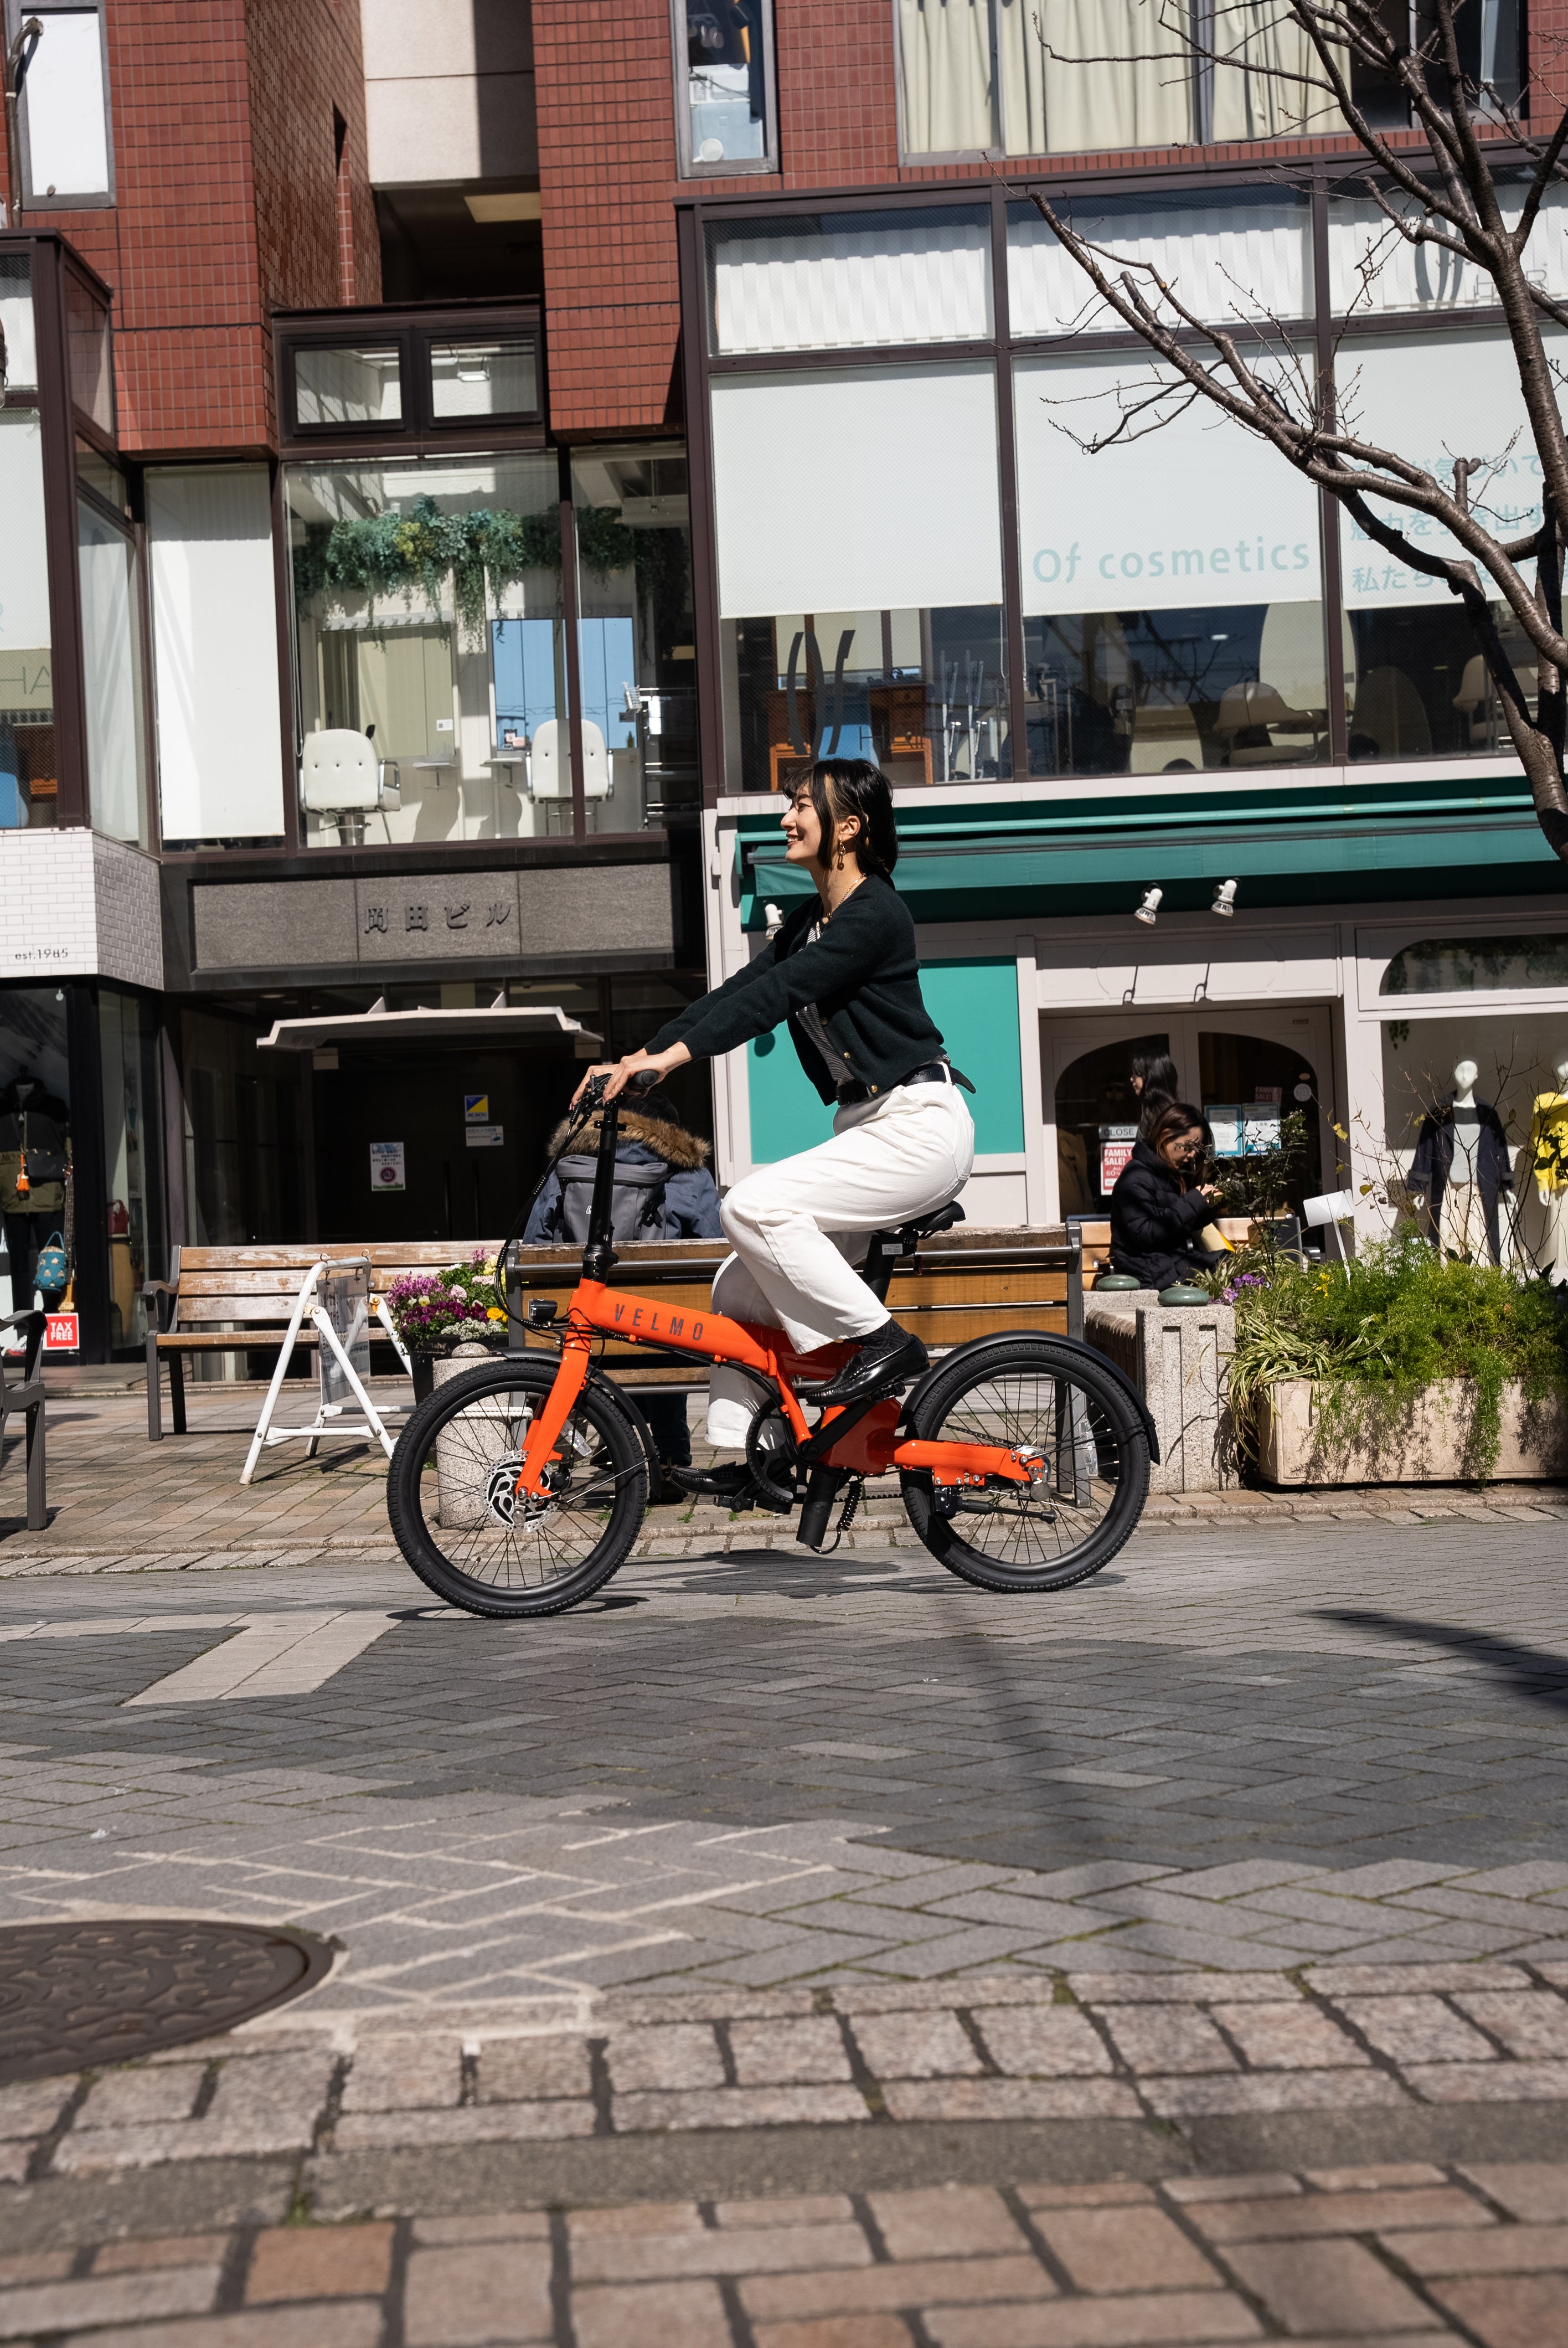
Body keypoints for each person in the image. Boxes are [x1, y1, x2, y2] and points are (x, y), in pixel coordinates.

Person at [574, 757, 975, 1504]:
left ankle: (884, 1344)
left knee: (752, 1205)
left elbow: (783, 994)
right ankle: (753, 1455)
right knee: (739, 1290)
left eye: (800, 807)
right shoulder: (810, 922)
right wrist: (640, 1058)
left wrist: (675, 1060)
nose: (786, 819)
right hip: (870, 1124)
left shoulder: (874, 914)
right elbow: (740, 992)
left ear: (847, 827)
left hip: (920, 1127)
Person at [524, 1085, 721, 1499]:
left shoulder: (567, 1168)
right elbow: (715, 1248)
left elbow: (534, 1247)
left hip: (582, 1332)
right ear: (668, 1127)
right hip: (663, 1336)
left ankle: (592, 1450)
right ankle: (667, 1462)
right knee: (666, 1315)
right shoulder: (689, 1174)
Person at [1109, 1100, 1225, 1291]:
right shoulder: (1134, 1179)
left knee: (1238, 1264)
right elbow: (1146, 1233)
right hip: (1149, 1274)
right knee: (1229, 1267)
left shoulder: (1169, 1174)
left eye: (1197, 1149)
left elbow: (1178, 1225)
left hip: (1169, 1267)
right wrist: (1195, 1199)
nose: (1193, 1155)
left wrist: (1208, 1206)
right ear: (1165, 1136)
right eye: (1189, 1147)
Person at [1130, 1049, 1180, 1137]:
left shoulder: (1164, 1116)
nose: (1132, 1079)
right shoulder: (1151, 1110)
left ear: (1151, 1076)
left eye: (1137, 1074)